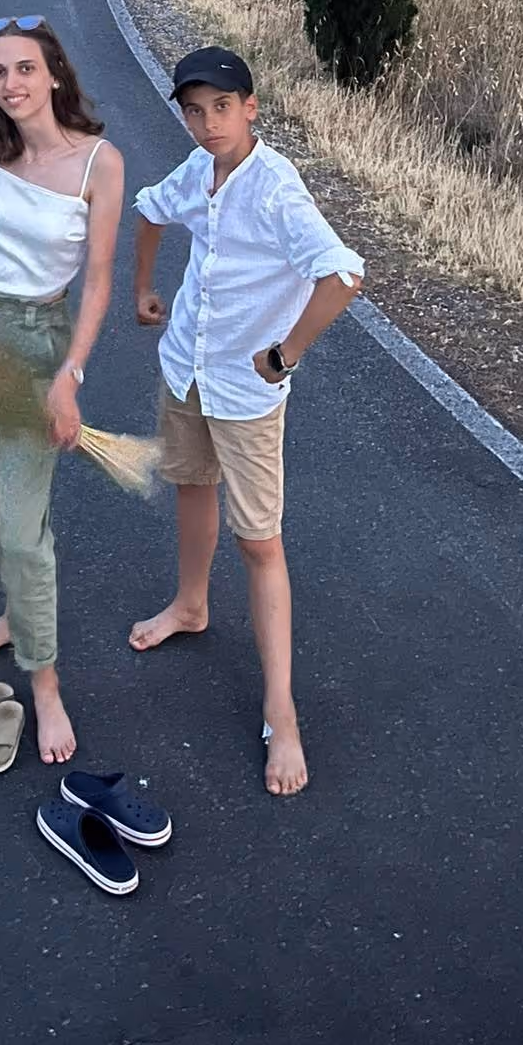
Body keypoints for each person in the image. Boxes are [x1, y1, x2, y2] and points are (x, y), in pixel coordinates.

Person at [129, 46, 364, 796]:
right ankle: (191, 604)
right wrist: (143, 288)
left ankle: (281, 711)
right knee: (191, 485)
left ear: (251, 107)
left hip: (246, 393)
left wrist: (286, 354)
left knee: (260, 542)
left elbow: (344, 274)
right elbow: (150, 210)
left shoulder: (276, 189)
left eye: (222, 108)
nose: (208, 124)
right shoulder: (199, 170)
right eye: (194, 112)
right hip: (186, 368)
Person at [0, 17, 125, 765]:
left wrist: (69, 377)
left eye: (24, 68)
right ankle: (15, 614)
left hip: (38, 342)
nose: (11, 84)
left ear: (54, 75)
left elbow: (99, 282)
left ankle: (44, 687)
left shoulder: (99, 163)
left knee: (23, 532)